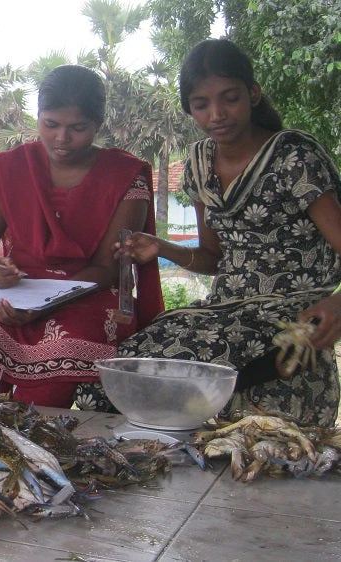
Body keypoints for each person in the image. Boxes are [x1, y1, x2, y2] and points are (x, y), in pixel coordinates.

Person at [117, 39, 341, 426]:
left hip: (289, 311)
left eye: (230, 97)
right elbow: (212, 258)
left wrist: (339, 305)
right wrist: (163, 247)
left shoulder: (293, 155)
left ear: (253, 94)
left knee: (213, 371)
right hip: (227, 310)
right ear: (189, 108)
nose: (217, 114)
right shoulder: (200, 164)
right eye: (201, 104)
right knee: (130, 363)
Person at [0, 65, 164, 409]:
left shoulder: (124, 175)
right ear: (37, 118)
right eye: (50, 125)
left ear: (98, 125)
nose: (62, 139)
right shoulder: (10, 169)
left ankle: (39, 443)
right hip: (17, 292)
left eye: (77, 128)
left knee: (59, 357)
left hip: (88, 294)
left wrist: (44, 305)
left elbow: (108, 268)